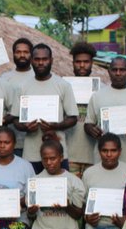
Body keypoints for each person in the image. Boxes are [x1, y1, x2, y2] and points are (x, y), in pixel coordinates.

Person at [21, 139, 86, 229]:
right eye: (45, 159)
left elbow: (78, 214)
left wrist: (67, 206)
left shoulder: (73, 181)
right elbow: (30, 215)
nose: (49, 163)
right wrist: (32, 210)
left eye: (53, 158)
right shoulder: (36, 181)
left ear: (61, 157)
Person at [12, 44, 79, 174]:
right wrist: (25, 127)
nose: (41, 62)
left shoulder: (63, 85)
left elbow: (73, 118)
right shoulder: (23, 87)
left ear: (51, 60)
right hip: (31, 154)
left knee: (58, 190)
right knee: (32, 190)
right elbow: (15, 119)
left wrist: (55, 126)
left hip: (57, 153)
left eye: (45, 59)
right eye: (37, 59)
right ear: (31, 60)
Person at [84, 56, 126, 168]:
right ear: (109, 72)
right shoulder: (98, 96)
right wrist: (93, 130)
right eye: (114, 70)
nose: (118, 73)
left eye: (122, 70)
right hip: (102, 161)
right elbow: (88, 123)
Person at [67, 41, 111, 177]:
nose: (82, 65)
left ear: (92, 63)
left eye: (86, 62)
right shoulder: (65, 87)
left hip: (95, 156)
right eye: (78, 62)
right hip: (69, 155)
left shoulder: (103, 90)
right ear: (73, 63)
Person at [0, 37, 35, 155]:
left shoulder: (39, 76)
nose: (22, 55)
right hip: (10, 141)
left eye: (26, 52)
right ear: (13, 54)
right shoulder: (4, 78)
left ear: (31, 54)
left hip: (34, 140)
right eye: (18, 52)